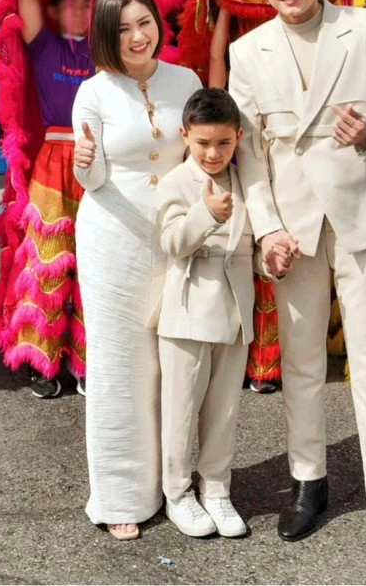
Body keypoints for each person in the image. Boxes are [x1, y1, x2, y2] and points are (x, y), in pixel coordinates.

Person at [228, 0, 366, 569]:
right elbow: (249, 154)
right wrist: (267, 229)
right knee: (301, 362)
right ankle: (307, 483)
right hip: (293, 228)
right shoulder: (247, 51)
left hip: (365, 214)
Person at [72, 0, 202, 541]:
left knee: (176, 362)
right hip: (112, 238)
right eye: (122, 28)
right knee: (118, 364)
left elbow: (201, 155)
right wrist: (83, 162)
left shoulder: (186, 81)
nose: (137, 36)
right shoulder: (93, 92)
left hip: (177, 235)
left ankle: (178, 485)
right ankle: (120, 494)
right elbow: (92, 179)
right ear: (107, 35)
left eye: (144, 21)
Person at [0, 0, 95, 398]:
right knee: (48, 262)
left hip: (98, 161)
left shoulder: (107, 50)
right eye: (72, 5)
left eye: (87, 5)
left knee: (96, 263)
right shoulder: (45, 46)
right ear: (55, 13)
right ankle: (44, 362)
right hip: (53, 162)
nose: (80, 12)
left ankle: (89, 363)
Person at [155, 88, 254, 539]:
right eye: (203, 143)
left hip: (234, 310)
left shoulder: (247, 180)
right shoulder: (176, 182)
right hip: (189, 309)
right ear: (185, 136)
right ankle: (177, 492)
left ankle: (216, 488)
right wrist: (205, 214)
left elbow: (250, 245)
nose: (213, 153)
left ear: (238, 137)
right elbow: (172, 242)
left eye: (223, 143)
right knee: (181, 408)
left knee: (224, 410)